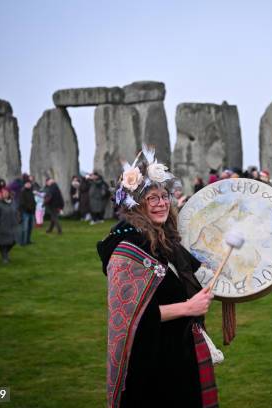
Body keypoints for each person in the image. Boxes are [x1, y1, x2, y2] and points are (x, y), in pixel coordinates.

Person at [97, 148, 218, 408]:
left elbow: (200, 273)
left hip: (180, 351)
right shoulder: (126, 249)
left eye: (164, 196)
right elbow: (131, 316)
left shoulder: (166, 240)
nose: (162, 203)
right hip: (151, 363)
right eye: (152, 198)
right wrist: (188, 307)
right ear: (137, 205)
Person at [0, 188, 18, 263]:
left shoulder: (12, 202)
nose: (5, 194)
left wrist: (17, 219)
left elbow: (16, 211)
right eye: (3, 192)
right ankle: (4, 257)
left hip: (12, 225)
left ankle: (6, 253)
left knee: (13, 241)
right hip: (2, 226)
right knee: (3, 243)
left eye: (6, 192)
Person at [18, 180, 36, 245]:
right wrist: (29, 208)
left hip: (31, 212)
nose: (28, 185)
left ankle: (28, 240)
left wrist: (33, 208)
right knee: (24, 228)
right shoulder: (22, 192)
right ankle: (22, 241)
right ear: (25, 184)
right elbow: (22, 203)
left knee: (30, 228)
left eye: (29, 184)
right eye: (27, 184)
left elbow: (33, 201)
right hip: (25, 212)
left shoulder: (31, 192)